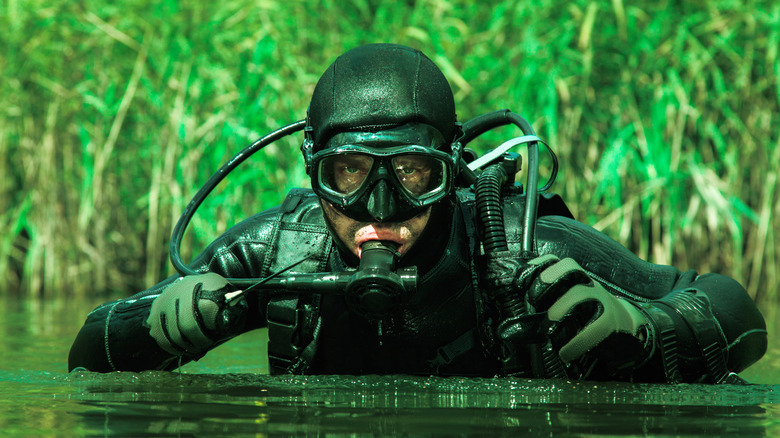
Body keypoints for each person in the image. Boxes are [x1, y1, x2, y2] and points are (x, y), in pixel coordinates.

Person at [68, 43, 767, 382]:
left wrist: (651, 334)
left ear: (454, 170)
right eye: (346, 175)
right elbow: (83, 354)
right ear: (314, 170)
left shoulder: (525, 254)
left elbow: (739, 314)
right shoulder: (276, 257)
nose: (380, 210)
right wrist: (141, 328)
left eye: (412, 174)